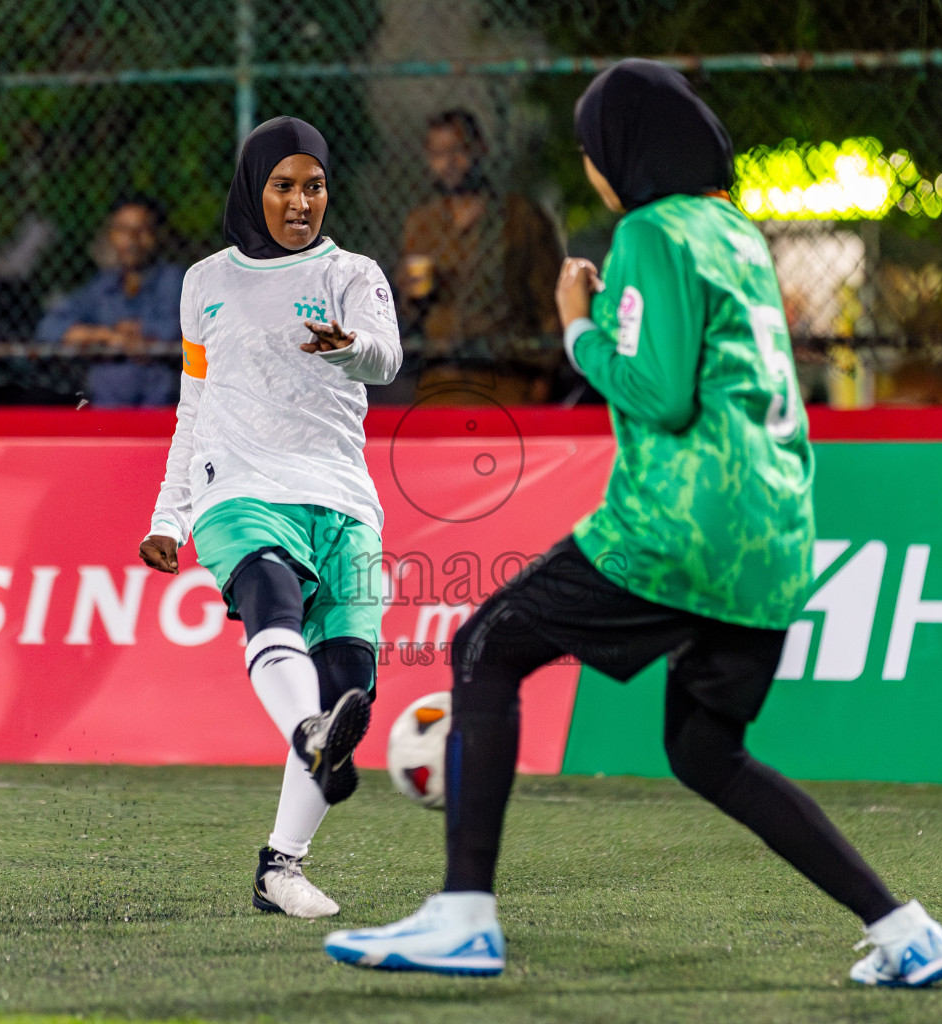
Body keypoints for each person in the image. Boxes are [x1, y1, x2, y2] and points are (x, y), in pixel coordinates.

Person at [324, 60, 942, 987]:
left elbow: (658, 396)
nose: (590, 169)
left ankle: (463, 916)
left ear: (620, 155)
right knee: (706, 749)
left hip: (679, 527)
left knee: (484, 647)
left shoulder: (652, 233)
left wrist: (578, 327)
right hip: (772, 541)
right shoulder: (734, 231)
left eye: (591, 152)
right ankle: (904, 929)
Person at [138, 117, 401, 919]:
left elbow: (386, 360)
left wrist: (346, 345)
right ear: (255, 188)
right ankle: (310, 731)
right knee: (269, 595)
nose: (300, 201)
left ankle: (279, 868)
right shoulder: (204, 281)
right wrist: (169, 516)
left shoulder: (353, 273)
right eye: (284, 185)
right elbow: (193, 403)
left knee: (350, 673)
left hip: (341, 495)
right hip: (239, 482)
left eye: (314, 185)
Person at [394, 109, 565, 405]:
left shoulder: (521, 217)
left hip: (509, 377)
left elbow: (551, 302)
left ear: (480, 149)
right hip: (439, 380)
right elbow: (410, 313)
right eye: (437, 153)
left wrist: (545, 375)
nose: (448, 163)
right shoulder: (421, 223)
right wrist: (408, 293)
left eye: (458, 150)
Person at [36, 197, 184, 408]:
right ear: (112, 235)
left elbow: (182, 329)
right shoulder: (102, 287)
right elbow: (49, 328)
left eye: (142, 230)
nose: (132, 240)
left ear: (157, 234)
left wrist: (143, 333)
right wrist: (105, 336)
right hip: (108, 414)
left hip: (164, 411)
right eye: (123, 230)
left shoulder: (175, 281)